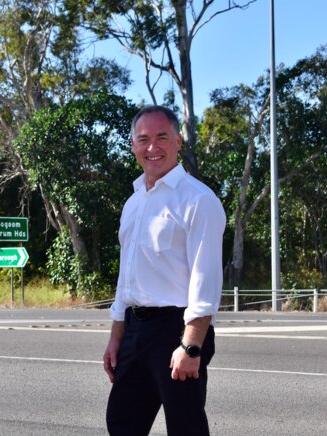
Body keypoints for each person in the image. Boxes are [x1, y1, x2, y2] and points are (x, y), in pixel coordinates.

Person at [103, 105, 225, 436]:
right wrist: (117, 336)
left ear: (178, 141)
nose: (152, 147)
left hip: (178, 330)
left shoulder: (198, 200)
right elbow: (127, 276)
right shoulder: (134, 202)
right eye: (143, 139)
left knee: (185, 427)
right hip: (134, 331)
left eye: (161, 137)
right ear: (132, 145)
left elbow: (206, 280)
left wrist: (191, 347)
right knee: (122, 423)